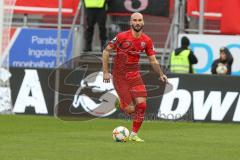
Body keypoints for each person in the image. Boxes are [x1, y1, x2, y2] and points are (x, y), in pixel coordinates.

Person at [102, 12, 168, 142]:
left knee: (142, 105)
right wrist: (105, 72)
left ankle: (133, 134)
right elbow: (106, 51)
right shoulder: (121, 37)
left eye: (140, 20)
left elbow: (153, 60)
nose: (137, 23)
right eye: (135, 20)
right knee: (130, 109)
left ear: (143, 22)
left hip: (134, 74)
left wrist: (161, 74)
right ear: (131, 22)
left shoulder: (147, 40)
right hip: (120, 76)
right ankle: (121, 103)